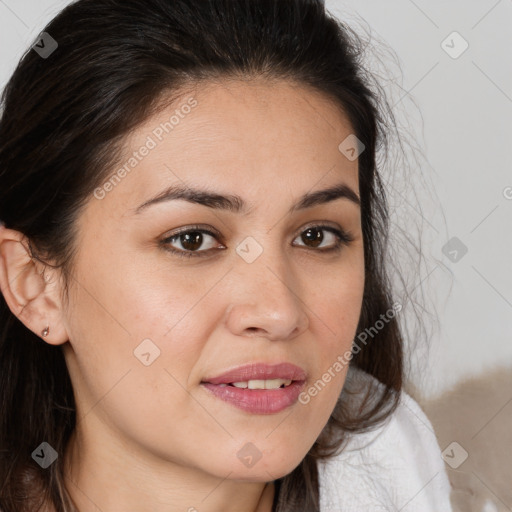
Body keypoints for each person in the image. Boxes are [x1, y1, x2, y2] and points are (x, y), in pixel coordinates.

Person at [0, 0, 453, 510]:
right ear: (35, 284)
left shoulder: (388, 463)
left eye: (317, 236)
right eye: (192, 239)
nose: (279, 313)